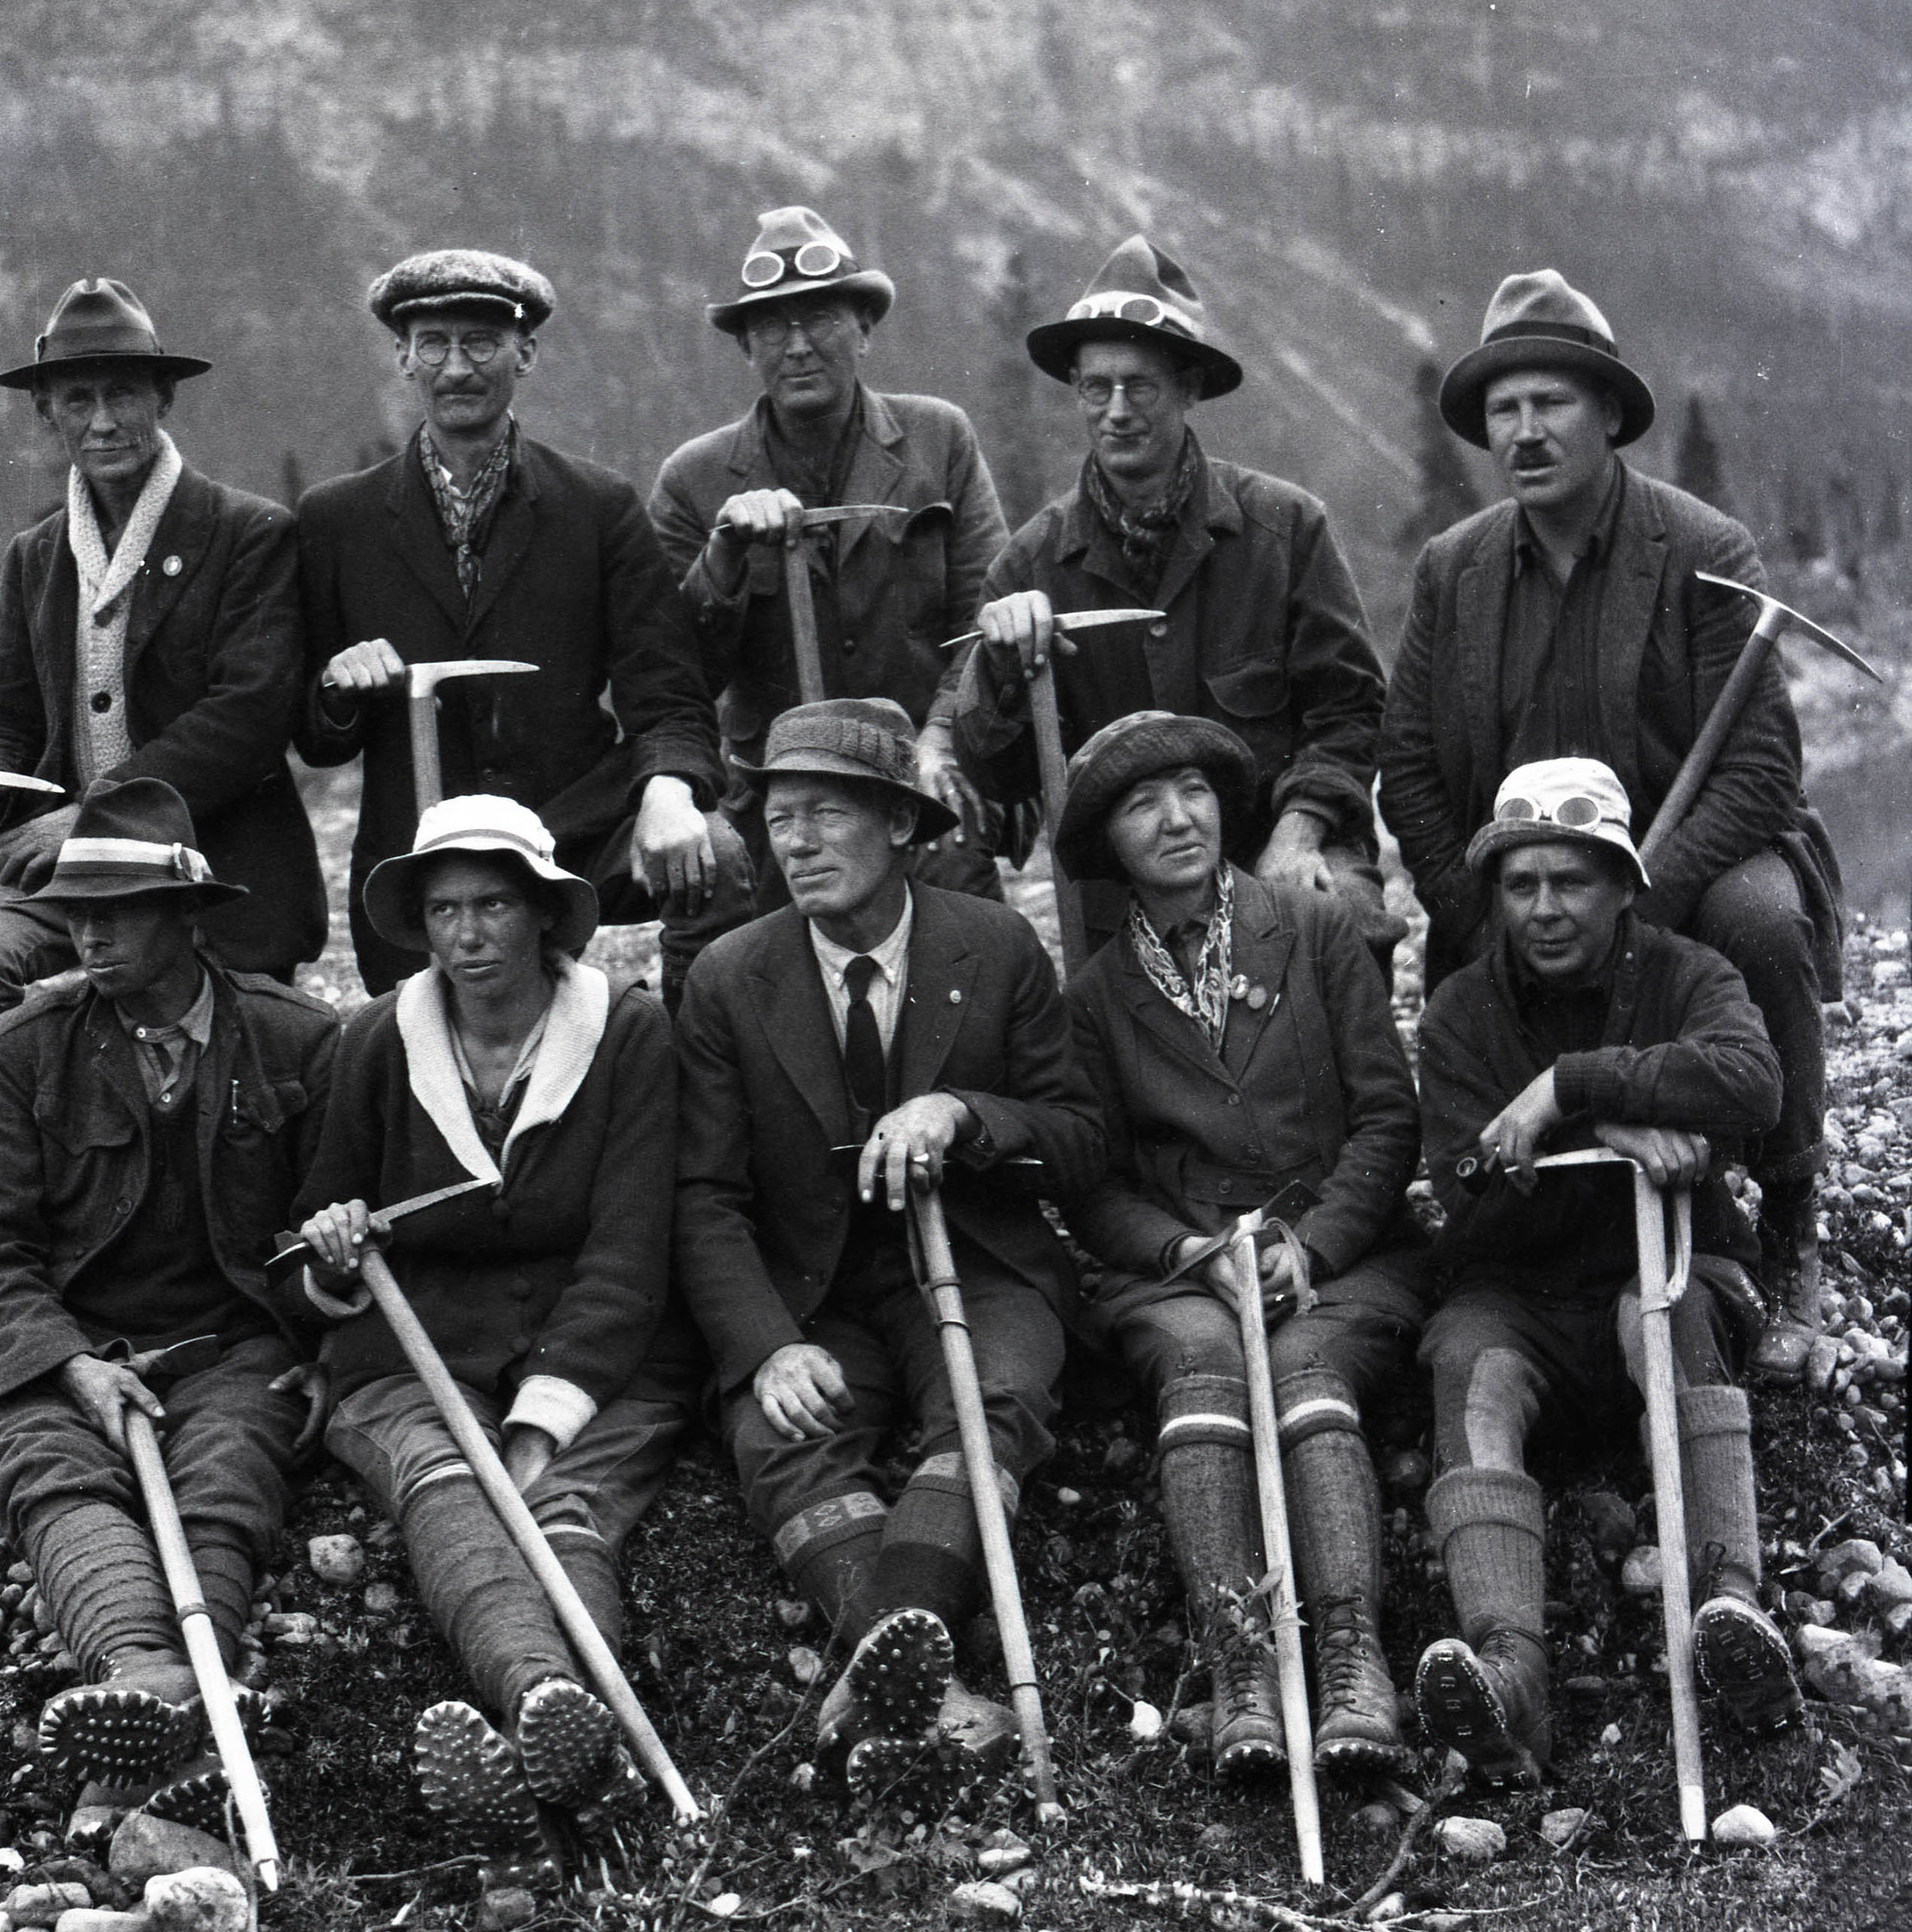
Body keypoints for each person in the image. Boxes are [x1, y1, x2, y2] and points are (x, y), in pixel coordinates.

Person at [1380, 270, 1845, 1375]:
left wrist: (1646, 894)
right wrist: (1466, 897)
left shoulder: (1703, 551)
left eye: (1550, 403)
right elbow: (1405, 762)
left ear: (1606, 412)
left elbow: (1763, 768)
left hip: (1687, 868)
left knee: (1763, 923)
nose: (1525, 432)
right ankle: (1524, 1231)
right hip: (1517, 878)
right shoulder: (1452, 572)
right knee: (1461, 989)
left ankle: (1786, 1219)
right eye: (1503, 409)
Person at [674, 699, 1101, 1799]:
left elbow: (1079, 1141)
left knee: (991, 1396)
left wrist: (963, 1112)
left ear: (900, 827)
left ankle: (874, 1661)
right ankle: (925, 1681)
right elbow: (706, 1197)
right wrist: (767, 1346)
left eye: (825, 814)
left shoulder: (993, 945)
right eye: (778, 819)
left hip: (972, 1260)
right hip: (810, 1294)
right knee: (781, 1431)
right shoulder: (730, 975)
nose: (798, 843)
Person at [287, 797, 689, 1860]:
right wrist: (330, 1247)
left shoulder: (630, 1034)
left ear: (545, 916)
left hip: (596, 1345)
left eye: (494, 906)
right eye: (443, 910)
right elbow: (311, 1230)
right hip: (415, 1348)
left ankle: (578, 1741)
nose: (466, 935)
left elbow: (628, 1251)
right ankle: (544, 1701)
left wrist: (545, 1416)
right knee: (446, 1481)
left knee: (562, 1496)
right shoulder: (374, 1040)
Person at [0, 779, 338, 1825]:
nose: (88, 934)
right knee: (45, 1458)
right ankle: (147, 1672)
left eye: (115, 911)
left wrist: (325, 1342)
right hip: (69, 1340)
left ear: (187, 918)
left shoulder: (298, 1039)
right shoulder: (26, 1046)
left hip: (228, 1342)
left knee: (234, 1458)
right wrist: (73, 1366)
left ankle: (197, 1686)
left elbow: (330, 1232)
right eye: (75, 912)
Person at [1411, 758, 1803, 1785]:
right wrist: (1617, 1123)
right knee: (1468, 1364)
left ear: (1623, 884)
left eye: (1569, 881)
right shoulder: (1459, 1010)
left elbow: (1753, 1084)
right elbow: (1468, 1179)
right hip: (1523, 1291)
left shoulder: (1686, 975)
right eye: (1519, 884)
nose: (1543, 909)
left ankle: (1728, 1609)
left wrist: (1570, 1085)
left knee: (1660, 1314)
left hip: (1666, 1264)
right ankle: (1510, 1674)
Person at [1059, 713, 1427, 1777]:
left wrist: (1309, 1246)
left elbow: (1386, 1121)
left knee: (1309, 1364)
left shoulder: (1311, 932)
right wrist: (1188, 1253)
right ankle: (1242, 1673)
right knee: (1203, 1365)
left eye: (1192, 792)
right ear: (1108, 844)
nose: (1175, 820)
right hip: (1177, 1274)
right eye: (1139, 805)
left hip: (1340, 1253)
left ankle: (1353, 1666)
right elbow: (1094, 1187)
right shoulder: (1091, 998)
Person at [0, 278, 326, 1115]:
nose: (103, 420)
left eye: (124, 394)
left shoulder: (247, 533)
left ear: (164, 397)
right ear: (47, 414)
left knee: (230, 1095)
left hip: (212, 864)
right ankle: (9, 1173)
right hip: (72, 873)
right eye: (78, 399)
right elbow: (5, 712)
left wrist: (96, 810)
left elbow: (248, 718)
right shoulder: (34, 557)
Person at [296, 251, 741, 998]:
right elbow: (314, 733)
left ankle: (698, 1078)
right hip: (418, 845)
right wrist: (340, 688)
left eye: (481, 341)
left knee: (715, 860)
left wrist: (669, 786)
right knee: (425, 1057)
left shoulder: (598, 506)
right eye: (433, 342)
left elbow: (666, 688)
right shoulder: (336, 519)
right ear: (403, 356)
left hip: (574, 826)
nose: (457, 366)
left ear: (524, 352)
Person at [949, 236, 1392, 957]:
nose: (1117, 410)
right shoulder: (1029, 563)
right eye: (1097, 387)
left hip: (1274, 847)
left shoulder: (1286, 528)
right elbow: (997, 776)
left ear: (1189, 389)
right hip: (1120, 886)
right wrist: (998, 664)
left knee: (1339, 917)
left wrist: (1302, 828)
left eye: (1141, 386)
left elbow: (1351, 709)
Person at [648, 204, 1012, 925]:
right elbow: (670, 671)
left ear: (865, 329)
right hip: (771, 805)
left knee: (972, 970)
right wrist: (723, 559)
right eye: (772, 328)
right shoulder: (694, 478)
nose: (798, 346)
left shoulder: (938, 439)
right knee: (726, 979)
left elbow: (984, 615)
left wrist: (940, 741)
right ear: (745, 347)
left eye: (819, 319)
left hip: (912, 786)